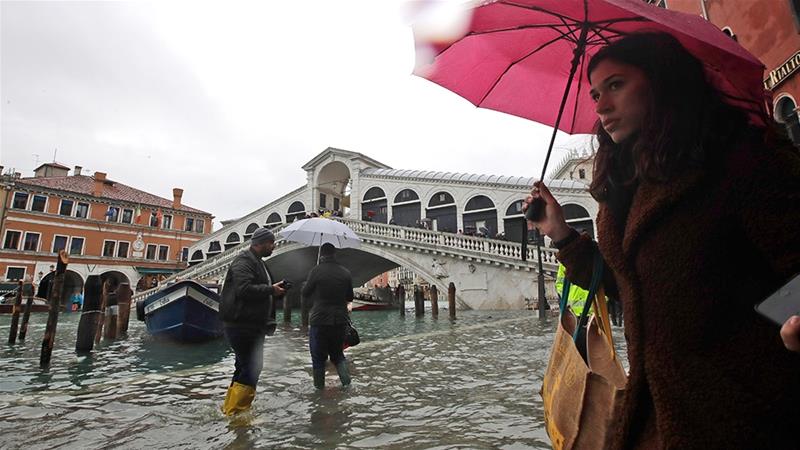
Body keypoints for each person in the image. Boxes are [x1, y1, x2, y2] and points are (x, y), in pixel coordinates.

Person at [525, 32, 800, 449]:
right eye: (596, 93)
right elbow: (630, 289)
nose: (600, 106)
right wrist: (560, 234)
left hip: (743, 414)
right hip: (655, 416)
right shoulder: (621, 192)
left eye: (616, 85)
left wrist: (792, 320)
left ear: (661, 82)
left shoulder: (739, 160)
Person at [219, 227, 286, 415]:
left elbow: (261, 289)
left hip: (252, 325)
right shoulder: (243, 261)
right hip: (241, 324)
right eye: (271, 243)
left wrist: (277, 291)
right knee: (251, 366)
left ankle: (230, 409)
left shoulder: (258, 263)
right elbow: (244, 289)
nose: (273, 246)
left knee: (244, 366)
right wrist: (271, 290)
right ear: (261, 244)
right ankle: (238, 413)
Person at [301, 243, 354, 389]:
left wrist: (309, 282)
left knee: (318, 358)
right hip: (339, 320)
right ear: (334, 254)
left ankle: (318, 392)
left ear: (321, 255)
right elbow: (349, 296)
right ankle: (347, 386)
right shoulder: (345, 272)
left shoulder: (316, 271)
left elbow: (305, 293)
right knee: (338, 355)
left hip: (320, 320)